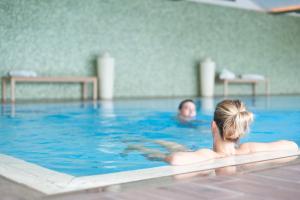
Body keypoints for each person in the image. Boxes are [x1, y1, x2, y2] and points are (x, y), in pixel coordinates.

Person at [125, 99, 299, 165]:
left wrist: (209, 156)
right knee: (179, 148)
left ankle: (136, 145)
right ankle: (145, 144)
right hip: (210, 153)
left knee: (175, 150)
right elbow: (292, 146)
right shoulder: (249, 148)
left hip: (200, 154)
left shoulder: (209, 154)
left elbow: (175, 159)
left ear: (213, 126)